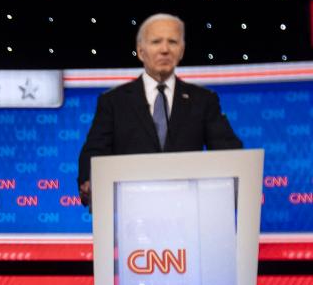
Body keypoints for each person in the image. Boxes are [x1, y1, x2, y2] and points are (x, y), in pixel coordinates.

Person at [77, 13, 242, 206]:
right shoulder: (113, 101)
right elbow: (95, 151)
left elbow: (229, 150)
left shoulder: (204, 100)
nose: (165, 49)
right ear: (140, 51)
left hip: (188, 210)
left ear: (181, 50)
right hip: (131, 209)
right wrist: (90, 181)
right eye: (156, 42)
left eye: (172, 42)